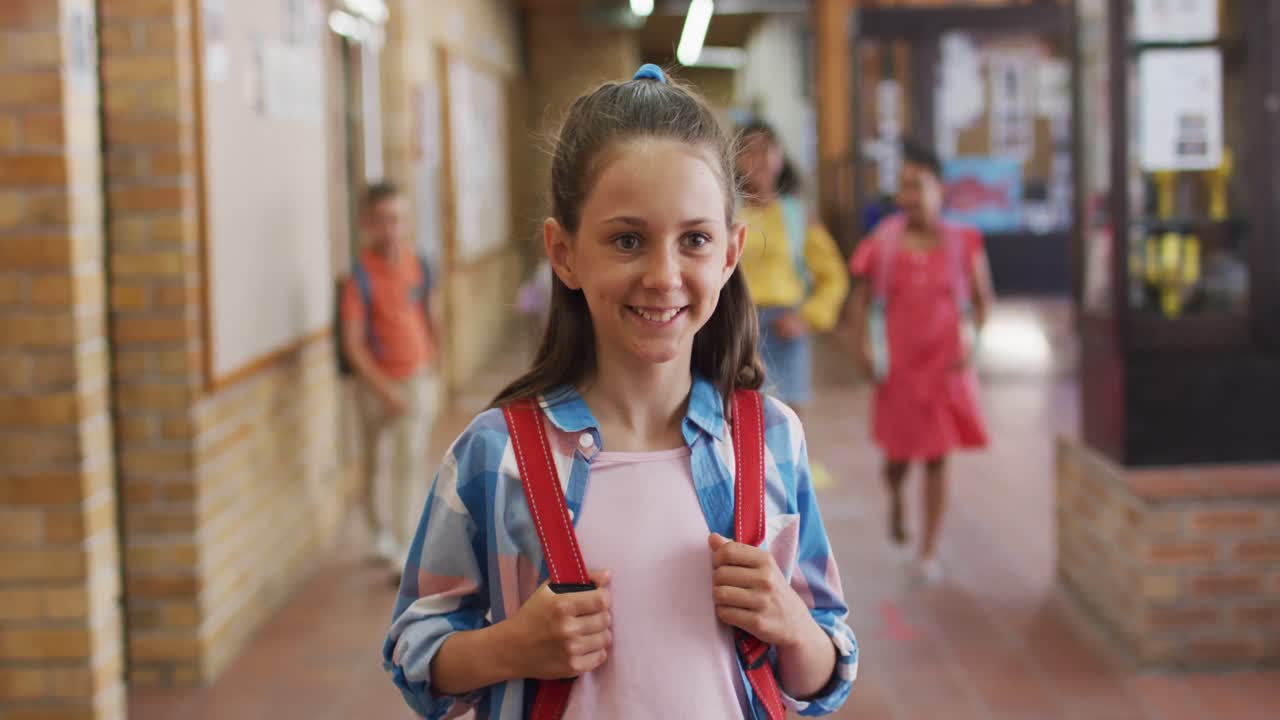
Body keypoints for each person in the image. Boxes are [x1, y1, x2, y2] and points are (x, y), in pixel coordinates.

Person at [383, 65, 857, 720]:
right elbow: (415, 651)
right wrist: (508, 648)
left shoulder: (772, 439)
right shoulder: (496, 455)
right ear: (564, 252)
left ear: (730, 253)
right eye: (627, 240)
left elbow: (824, 667)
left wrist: (792, 624)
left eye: (694, 239)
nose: (663, 275)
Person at [847, 142, 993, 585]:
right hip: (898, 369)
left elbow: (983, 301)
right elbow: (860, 302)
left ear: (940, 188)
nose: (910, 196)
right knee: (897, 460)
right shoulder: (883, 242)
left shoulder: (963, 241)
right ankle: (895, 497)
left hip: (945, 367)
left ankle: (928, 548)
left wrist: (974, 344)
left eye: (919, 185)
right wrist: (863, 347)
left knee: (936, 458)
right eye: (904, 187)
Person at [735, 121, 848, 486]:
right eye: (748, 151)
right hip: (737, 329)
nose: (758, 159)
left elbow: (833, 276)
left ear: (780, 157)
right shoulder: (725, 214)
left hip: (784, 328)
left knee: (788, 419)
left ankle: (788, 491)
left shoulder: (798, 216)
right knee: (738, 415)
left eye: (766, 150)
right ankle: (749, 489)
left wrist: (808, 317)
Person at [340, 182, 442, 569]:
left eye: (397, 219)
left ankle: (404, 544)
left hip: (415, 378)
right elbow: (353, 345)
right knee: (372, 462)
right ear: (368, 224)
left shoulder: (420, 265)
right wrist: (386, 391)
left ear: (408, 221)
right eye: (382, 220)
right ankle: (380, 532)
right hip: (374, 385)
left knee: (408, 461)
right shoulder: (360, 278)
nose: (391, 229)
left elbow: (432, 316)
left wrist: (433, 366)